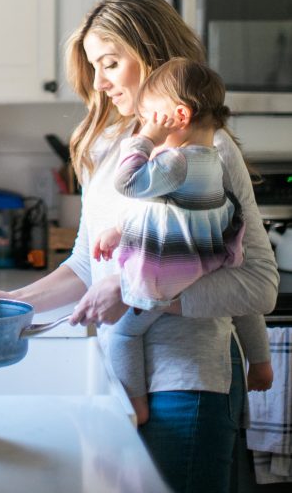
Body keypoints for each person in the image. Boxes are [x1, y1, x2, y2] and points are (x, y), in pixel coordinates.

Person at [0, 0, 278, 493]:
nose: (99, 82)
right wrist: (17, 302)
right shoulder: (108, 147)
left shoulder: (210, 151)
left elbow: (259, 285)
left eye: (110, 63)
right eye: (94, 67)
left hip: (190, 385)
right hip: (122, 378)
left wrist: (137, 291)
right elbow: (85, 264)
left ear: (153, 55)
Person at [93, 56, 272, 426]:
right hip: (206, 259)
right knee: (241, 308)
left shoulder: (175, 163)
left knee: (123, 336)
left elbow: (128, 181)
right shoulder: (208, 161)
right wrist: (119, 230)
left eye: (149, 116)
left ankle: (136, 407)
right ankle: (262, 364)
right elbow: (163, 211)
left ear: (179, 116)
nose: (143, 125)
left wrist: (145, 139)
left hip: (169, 279)